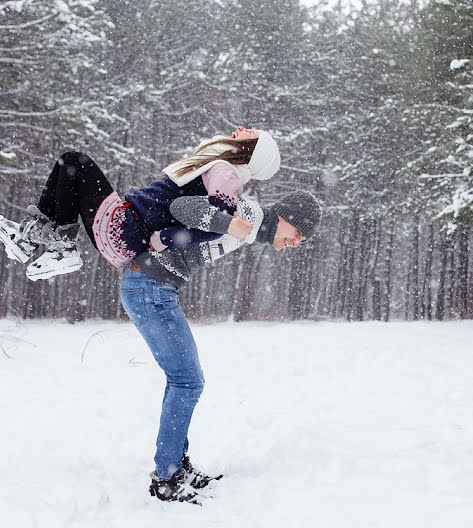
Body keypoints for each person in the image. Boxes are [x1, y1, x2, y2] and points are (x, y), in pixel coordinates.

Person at [121, 188, 322, 504]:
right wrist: (225, 221)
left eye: (303, 240)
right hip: (149, 286)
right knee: (187, 382)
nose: (297, 242)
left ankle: (176, 466)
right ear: (286, 216)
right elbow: (182, 205)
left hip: (154, 286)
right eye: (298, 233)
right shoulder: (249, 215)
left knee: (184, 381)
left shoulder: (251, 227)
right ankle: (167, 478)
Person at [0, 126, 280, 280]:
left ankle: (62, 248)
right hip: (127, 227)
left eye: (250, 133)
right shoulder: (218, 167)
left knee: (75, 162)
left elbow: (219, 225)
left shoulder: (226, 174)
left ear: (252, 150)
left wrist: (162, 238)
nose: (241, 128)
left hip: (128, 230)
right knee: (69, 163)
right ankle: (31, 237)